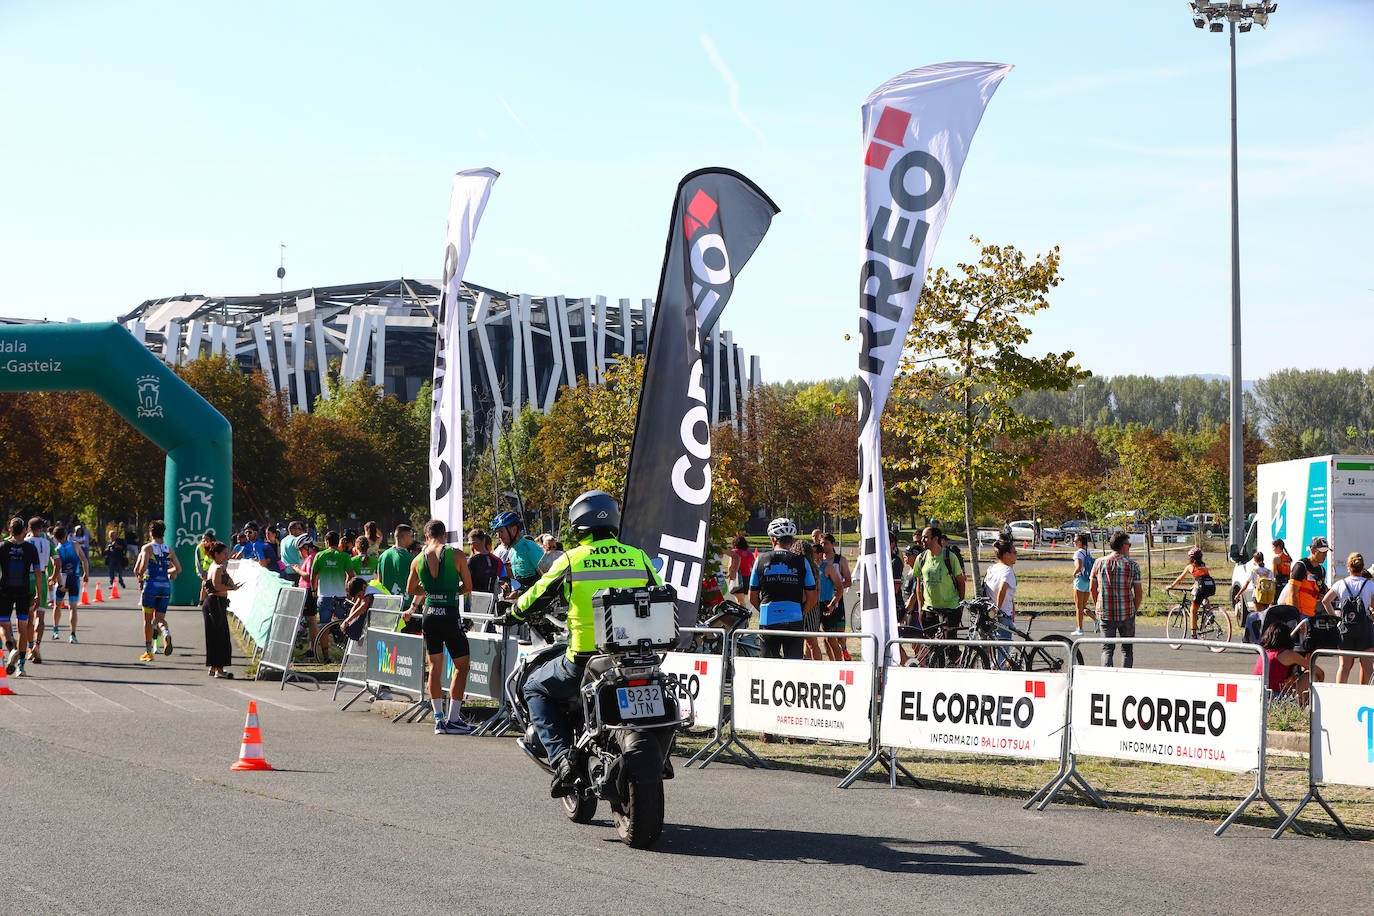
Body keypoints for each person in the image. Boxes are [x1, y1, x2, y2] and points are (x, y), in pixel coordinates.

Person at [508, 490, 662, 796]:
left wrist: (512, 611)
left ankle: (562, 759)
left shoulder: (571, 559)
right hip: (635, 660)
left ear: (578, 523)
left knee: (534, 687)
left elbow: (535, 597)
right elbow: (660, 596)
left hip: (585, 662)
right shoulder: (639, 556)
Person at [405, 519, 476, 735]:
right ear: (444, 535)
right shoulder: (456, 555)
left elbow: (411, 588)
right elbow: (468, 586)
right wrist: (451, 592)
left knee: (434, 667)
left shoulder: (417, 559)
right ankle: (453, 718)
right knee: (462, 667)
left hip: (429, 614)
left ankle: (438, 719)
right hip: (449, 614)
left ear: (426, 537)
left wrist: (429, 591)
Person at [748, 518, 817, 660]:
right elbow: (813, 596)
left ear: (773, 540)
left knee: (769, 665)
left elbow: (752, 596)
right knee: (794, 664)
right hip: (794, 618)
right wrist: (802, 612)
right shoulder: (802, 561)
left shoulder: (760, 560)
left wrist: (763, 610)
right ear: (792, 541)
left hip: (768, 618)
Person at [914, 526, 966, 663]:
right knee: (932, 648)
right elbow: (919, 586)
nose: (922, 540)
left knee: (950, 646)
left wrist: (961, 605)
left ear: (935, 538)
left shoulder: (949, 557)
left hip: (950, 607)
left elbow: (961, 582)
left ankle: (953, 670)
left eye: (925, 537)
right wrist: (920, 607)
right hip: (929, 608)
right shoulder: (921, 558)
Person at [1091, 531, 1143, 668]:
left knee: (1107, 649)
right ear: (1123, 546)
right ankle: (1125, 678)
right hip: (1127, 613)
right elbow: (1138, 593)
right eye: (1129, 544)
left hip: (1106, 613)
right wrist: (1134, 610)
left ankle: (1107, 679)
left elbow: (1092, 588)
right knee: (1127, 650)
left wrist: (1098, 606)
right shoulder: (1133, 565)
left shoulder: (1098, 563)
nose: (1130, 547)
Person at [1321, 552, 1374, 685]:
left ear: (1348, 567)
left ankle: (1340, 695)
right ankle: (1363, 696)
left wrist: (1335, 617)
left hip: (1345, 628)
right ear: (1363, 568)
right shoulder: (1369, 585)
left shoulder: (1340, 584)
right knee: (1366, 665)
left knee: (1344, 666)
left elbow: (1325, 601)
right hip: (1365, 628)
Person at [133, 520, 181, 662]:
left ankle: (148, 651)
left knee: (148, 621)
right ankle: (165, 633)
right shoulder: (169, 549)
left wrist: (141, 578)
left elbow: (142, 566)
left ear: (151, 533)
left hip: (151, 586)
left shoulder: (147, 548)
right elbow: (178, 569)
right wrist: (166, 572)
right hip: (165, 586)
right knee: (160, 619)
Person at [1, 517, 39, 676]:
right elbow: (37, 572)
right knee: (22, 627)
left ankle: (11, 650)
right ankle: (21, 666)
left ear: (10, 531)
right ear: (24, 531)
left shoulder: (2, 547)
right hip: (24, 591)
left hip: (5, 591)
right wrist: (38, 593)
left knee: (3, 625)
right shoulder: (31, 549)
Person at [1254, 621, 1321, 706]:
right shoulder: (1287, 654)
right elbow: (1319, 671)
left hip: (1259, 697)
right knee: (1311, 675)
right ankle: (1305, 709)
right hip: (1276, 699)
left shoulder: (1264, 653)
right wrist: (1320, 682)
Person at [309, 531, 352, 663]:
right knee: (345, 624)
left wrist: (314, 590)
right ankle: (347, 653)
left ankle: (325, 655)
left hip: (324, 595)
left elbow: (312, 576)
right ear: (337, 541)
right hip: (340, 596)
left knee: (324, 626)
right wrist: (347, 588)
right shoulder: (344, 556)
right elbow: (351, 575)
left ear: (327, 542)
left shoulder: (320, 555)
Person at [201, 540, 238, 678]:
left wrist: (227, 575)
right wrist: (231, 588)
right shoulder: (216, 567)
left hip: (216, 602)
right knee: (219, 636)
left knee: (215, 635)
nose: (226, 556)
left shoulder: (218, 566)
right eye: (223, 554)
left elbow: (227, 581)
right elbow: (217, 586)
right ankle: (219, 669)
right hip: (215, 602)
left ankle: (214, 666)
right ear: (216, 554)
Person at [25, 517, 58, 664]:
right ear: (42, 529)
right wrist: (54, 576)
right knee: (41, 616)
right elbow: (57, 561)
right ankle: (37, 646)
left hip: (27, 578)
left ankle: (30, 646)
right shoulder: (47, 543)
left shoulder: (25, 542)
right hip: (42, 579)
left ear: (29, 528)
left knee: (28, 617)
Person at [1167, 547, 1217, 639]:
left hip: (1201, 587)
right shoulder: (1203, 565)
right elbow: (1203, 576)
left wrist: (1171, 586)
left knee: (1193, 610)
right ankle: (1209, 612)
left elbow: (1180, 578)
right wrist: (1195, 585)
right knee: (1202, 596)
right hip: (1210, 585)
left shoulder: (1190, 566)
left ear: (1191, 558)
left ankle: (1193, 634)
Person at [491, 511, 544, 594]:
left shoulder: (530, 548)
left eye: (501, 531)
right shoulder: (512, 551)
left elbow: (548, 579)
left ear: (514, 529)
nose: (498, 536)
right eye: (497, 532)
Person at [51, 525, 88, 644]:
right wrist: (86, 574)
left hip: (62, 577)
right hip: (74, 578)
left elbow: (57, 568)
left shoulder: (56, 550)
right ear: (66, 535)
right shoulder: (75, 545)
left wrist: (59, 583)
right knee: (73, 607)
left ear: (55, 538)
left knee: (57, 605)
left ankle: (56, 630)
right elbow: (84, 560)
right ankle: (73, 634)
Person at [984, 540, 1018, 664]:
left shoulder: (992, 568)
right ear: (1006, 554)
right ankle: (1001, 673)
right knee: (1003, 651)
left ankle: (996, 669)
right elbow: (1002, 590)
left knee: (996, 648)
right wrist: (997, 608)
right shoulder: (1007, 570)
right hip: (1002, 614)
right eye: (1014, 552)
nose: (1016, 555)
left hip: (992, 613)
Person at [791, 540, 825, 661]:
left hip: (803, 607)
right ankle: (812, 665)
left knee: (810, 642)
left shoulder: (799, 567)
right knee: (811, 643)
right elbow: (818, 590)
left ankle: (816, 665)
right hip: (813, 605)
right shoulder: (814, 567)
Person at [817, 535, 848, 661]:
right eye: (821, 543)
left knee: (839, 636)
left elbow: (849, 581)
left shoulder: (840, 560)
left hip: (837, 600)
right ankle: (832, 662)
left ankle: (844, 650)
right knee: (826, 637)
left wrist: (836, 588)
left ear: (832, 544)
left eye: (826, 543)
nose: (823, 546)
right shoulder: (818, 561)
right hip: (823, 601)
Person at [377, 525, 416, 606]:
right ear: (404, 537)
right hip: (405, 603)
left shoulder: (383, 556)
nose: (412, 539)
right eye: (411, 536)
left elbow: (379, 581)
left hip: (387, 603)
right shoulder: (411, 558)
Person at [340, 575, 386, 643]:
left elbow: (363, 607)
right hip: (385, 620)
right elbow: (356, 605)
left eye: (359, 595)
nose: (359, 598)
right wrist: (349, 621)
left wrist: (347, 621)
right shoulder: (364, 589)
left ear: (364, 587)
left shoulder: (370, 590)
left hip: (392, 621)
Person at [464, 529, 505, 596]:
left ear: (472, 545)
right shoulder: (497, 561)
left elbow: (465, 584)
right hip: (491, 601)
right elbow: (504, 581)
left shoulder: (471, 562)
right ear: (484, 540)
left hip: (475, 600)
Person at [1071, 533, 1096, 636]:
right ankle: (1095, 620)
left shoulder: (1078, 553)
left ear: (1080, 542)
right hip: (1088, 580)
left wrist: (1074, 574)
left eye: (1075, 541)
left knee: (1078, 607)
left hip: (1080, 579)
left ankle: (1080, 628)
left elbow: (1079, 566)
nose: (1074, 543)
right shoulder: (1088, 553)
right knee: (1083, 605)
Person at [725, 535, 755, 607]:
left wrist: (730, 574)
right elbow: (753, 566)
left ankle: (743, 615)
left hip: (737, 578)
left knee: (740, 600)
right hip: (747, 577)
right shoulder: (749, 553)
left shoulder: (734, 552)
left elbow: (731, 565)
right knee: (742, 599)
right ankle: (743, 614)